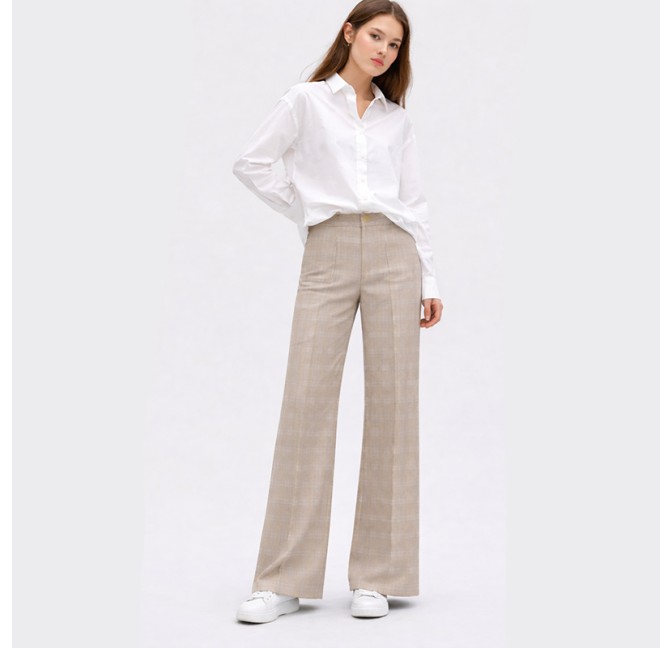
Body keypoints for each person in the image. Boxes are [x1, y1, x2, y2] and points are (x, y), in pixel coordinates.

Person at [231, 0, 443, 624]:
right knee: (306, 404)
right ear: (349, 33)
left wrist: (430, 277)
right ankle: (281, 579)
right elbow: (252, 163)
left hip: (394, 253)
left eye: (394, 44)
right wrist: (306, 208)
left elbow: (414, 202)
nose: (383, 50)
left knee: (394, 409)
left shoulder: (395, 118)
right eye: (375, 35)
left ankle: (378, 574)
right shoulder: (306, 100)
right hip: (328, 250)